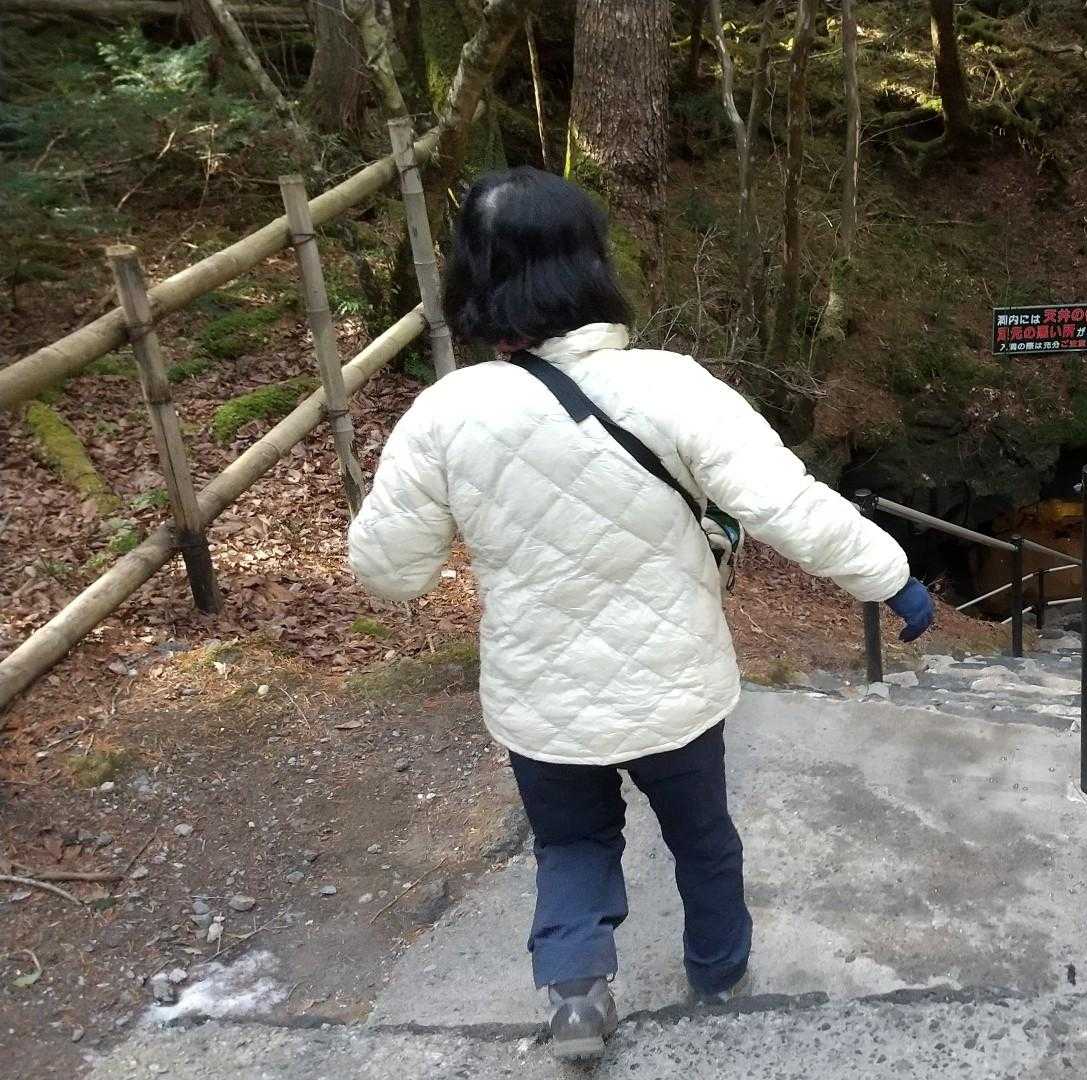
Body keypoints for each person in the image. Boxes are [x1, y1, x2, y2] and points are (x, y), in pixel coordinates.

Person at [346, 167, 934, 1062]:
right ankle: (720, 977)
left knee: (572, 842)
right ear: (589, 263)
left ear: (475, 277)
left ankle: (577, 988)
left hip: (540, 697)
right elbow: (788, 504)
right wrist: (892, 578)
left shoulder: (445, 414)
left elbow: (389, 571)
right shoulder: (669, 385)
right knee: (703, 839)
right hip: (674, 686)